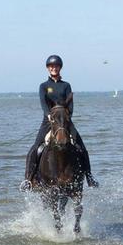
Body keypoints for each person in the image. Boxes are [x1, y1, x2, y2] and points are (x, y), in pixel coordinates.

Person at [20, 55, 98, 191]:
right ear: (48, 68)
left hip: (65, 121)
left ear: (59, 68)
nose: (53, 68)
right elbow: (43, 104)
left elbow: (71, 105)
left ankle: (89, 177)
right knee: (35, 148)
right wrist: (49, 115)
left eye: (56, 66)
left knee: (81, 147)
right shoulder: (44, 86)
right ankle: (28, 180)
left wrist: (67, 117)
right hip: (49, 121)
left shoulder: (66, 85)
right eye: (51, 66)